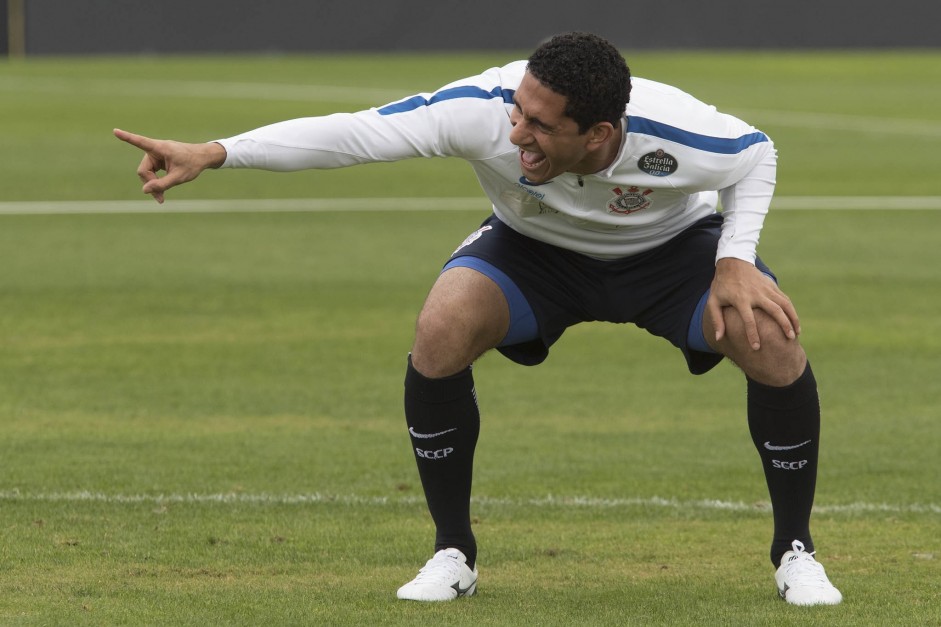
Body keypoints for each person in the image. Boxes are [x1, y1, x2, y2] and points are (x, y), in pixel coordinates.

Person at [114, 32, 842, 606]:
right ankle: (451, 551)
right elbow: (356, 134)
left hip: (667, 255)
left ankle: (794, 551)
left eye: (538, 124)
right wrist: (216, 152)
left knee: (769, 338)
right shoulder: (483, 109)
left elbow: (755, 154)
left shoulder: (675, 132)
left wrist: (734, 256)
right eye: (517, 110)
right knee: (440, 328)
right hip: (534, 253)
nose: (515, 129)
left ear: (598, 133)